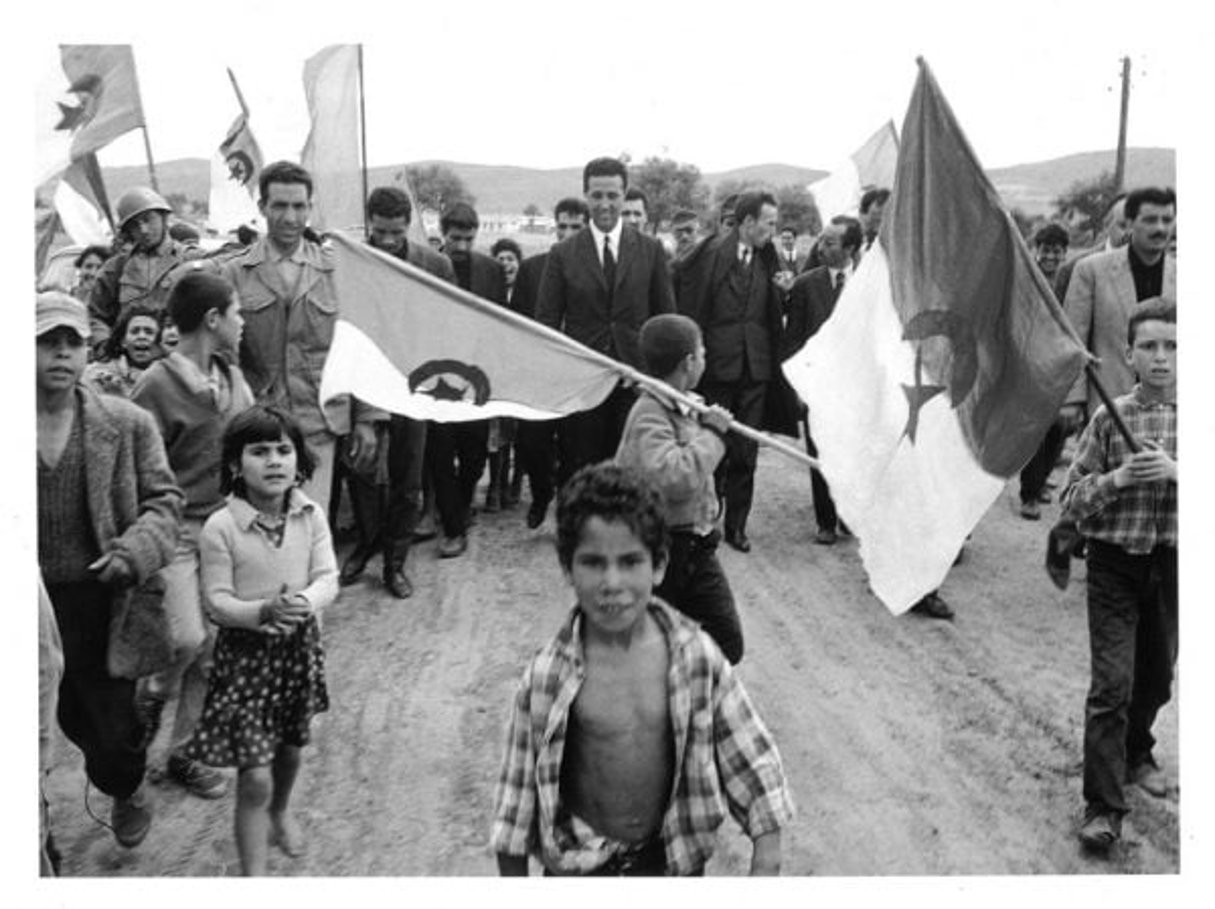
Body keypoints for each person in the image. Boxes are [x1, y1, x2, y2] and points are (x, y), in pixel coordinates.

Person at [490, 463, 793, 876]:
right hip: (581, 871)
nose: (612, 582)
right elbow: (516, 801)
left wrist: (767, 848)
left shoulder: (694, 659)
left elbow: (750, 753)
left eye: (631, 561)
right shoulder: (547, 679)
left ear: (660, 564)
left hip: (670, 865)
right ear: (567, 568)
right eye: (593, 562)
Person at [36, 292, 184, 849]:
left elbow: (166, 504)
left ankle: (127, 787)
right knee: (38, 728)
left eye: (73, 342)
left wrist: (133, 553)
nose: (63, 353)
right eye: (48, 341)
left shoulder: (125, 424)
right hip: (29, 603)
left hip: (102, 602)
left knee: (110, 738)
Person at [188, 406, 337, 875]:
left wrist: (304, 603)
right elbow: (216, 601)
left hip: (297, 651)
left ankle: (280, 811)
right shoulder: (220, 528)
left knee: (291, 749)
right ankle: (254, 877)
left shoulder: (310, 515)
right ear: (235, 464)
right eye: (259, 451)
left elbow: (328, 577)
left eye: (283, 450)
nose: (274, 461)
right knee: (254, 776)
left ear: (298, 460)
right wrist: (260, 613)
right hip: (245, 661)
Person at [129, 271, 255, 800]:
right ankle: (152, 693)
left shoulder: (232, 376)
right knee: (187, 636)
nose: (242, 320)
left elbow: (250, 436)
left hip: (222, 527)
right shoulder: (154, 386)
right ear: (212, 320)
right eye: (236, 311)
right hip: (176, 529)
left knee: (215, 647)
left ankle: (185, 753)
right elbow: (132, 466)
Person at [1060, 299, 1177, 853]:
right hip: (1114, 565)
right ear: (1128, 356)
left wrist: (1178, 472)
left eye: (1173, 346)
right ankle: (1103, 806)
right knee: (1113, 685)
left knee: (1156, 678)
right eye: (1149, 346)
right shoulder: (1109, 419)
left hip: (1174, 566)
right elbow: (1071, 500)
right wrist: (1120, 478)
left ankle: (1136, 750)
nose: (1161, 358)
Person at [220, 160, 380, 514]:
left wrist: (366, 418)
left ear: (310, 208)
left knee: (311, 524)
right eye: (279, 206)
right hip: (259, 427)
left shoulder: (336, 271)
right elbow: (224, 357)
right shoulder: (234, 273)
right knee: (261, 531)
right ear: (262, 208)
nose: (290, 218)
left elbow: (360, 348)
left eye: (298, 206)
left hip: (319, 422)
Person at [339, 186, 456, 597]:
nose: (387, 241)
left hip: (414, 384)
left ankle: (395, 562)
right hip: (363, 380)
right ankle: (367, 544)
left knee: (408, 476)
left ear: (408, 226)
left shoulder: (436, 265)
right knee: (363, 470)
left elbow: (449, 323)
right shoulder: (349, 260)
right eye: (380, 232)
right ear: (368, 223)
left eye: (395, 232)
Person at [536, 156, 676, 489]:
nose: (604, 204)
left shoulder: (651, 250)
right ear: (586, 195)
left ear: (624, 194)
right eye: (597, 195)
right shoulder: (563, 254)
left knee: (633, 473)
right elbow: (547, 325)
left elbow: (665, 321)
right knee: (583, 470)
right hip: (583, 388)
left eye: (612, 195)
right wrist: (568, 377)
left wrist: (652, 377)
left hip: (636, 385)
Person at [615, 314, 744, 663]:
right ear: (689, 362)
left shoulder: (684, 405)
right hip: (662, 550)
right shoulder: (649, 412)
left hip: (697, 545)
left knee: (726, 641)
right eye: (702, 353)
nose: (705, 359)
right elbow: (674, 477)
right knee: (653, 646)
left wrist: (704, 422)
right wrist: (714, 436)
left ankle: (687, 687)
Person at [675, 190, 792, 553]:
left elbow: (774, 310)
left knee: (746, 452)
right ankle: (706, 514)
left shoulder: (769, 258)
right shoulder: (710, 255)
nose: (772, 230)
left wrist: (785, 293)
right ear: (747, 222)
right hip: (718, 370)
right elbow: (692, 306)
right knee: (711, 446)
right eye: (768, 223)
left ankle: (737, 526)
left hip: (756, 371)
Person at [427, 201, 506, 558]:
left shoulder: (491, 270)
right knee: (441, 456)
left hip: (477, 379)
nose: (461, 246)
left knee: (474, 457)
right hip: (434, 378)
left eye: (468, 240)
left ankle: (457, 507)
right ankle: (454, 528)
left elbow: (500, 321)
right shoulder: (425, 267)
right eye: (455, 238)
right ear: (442, 234)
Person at [782, 216, 862, 545]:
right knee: (821, 453)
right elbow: (793, 340)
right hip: (819, 387)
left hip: (859, 390)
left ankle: (850, 515)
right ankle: (826, 521)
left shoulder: (870, 286)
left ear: (851, 248)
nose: (821, 247)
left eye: (830, 242)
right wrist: (799, 386)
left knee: (855, 455)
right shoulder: (806, 285)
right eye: (821, 240)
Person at [513, 197, 589, 528]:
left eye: (576, 226)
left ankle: (567, 513)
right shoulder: (531, 269)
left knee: (575, 449)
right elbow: (516, 321)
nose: (568, 233)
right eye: (563, 226)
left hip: (578, 378)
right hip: (539, 376)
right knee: (532, 443)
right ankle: (542, 492)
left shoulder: (595, 270)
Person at [87, 186, 202, 354]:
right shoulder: (116, 268)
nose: (143, 230)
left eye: (148, 219)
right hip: (130, 360)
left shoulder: (192, 259)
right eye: (135, 225)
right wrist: (105, 345)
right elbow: (96, 315)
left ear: (164, 218)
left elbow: (234, 259)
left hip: (178, 359)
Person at [1018, 222, 1072, 520]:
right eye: (1045, 250)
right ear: (1035, 250)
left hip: (1060, 365)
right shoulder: (1026, 277)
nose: (1050, 256)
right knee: (1039, 427)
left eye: (1056, 251)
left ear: (1064, 253)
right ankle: (1030, 493)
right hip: (1029, 364)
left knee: (1060, 428)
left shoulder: (1070, 280)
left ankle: (1040, 481)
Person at [488, 237, 525, 511]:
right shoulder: (488, 294)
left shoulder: (526, 294)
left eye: (510, 258)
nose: (505, 263)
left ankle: (516, 480)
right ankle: (495, 484)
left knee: (520, 429)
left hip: (521, 371)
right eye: (500, 259)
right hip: (494, 370)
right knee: (496, 430)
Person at [81, 302, 165, 398]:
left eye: (149, 332)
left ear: (160, 342)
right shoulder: (97, 375)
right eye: (135, 331)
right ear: (123, 341)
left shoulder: (171, 378)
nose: (141, 336)